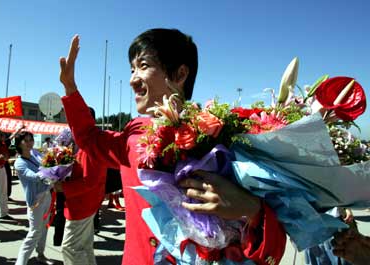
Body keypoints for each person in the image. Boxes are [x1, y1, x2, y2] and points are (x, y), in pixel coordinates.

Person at [59, 29, 286, 264]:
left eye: (143, 65)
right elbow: (88, 138)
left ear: (180, 74)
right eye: (132, 69)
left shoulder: (223, 135)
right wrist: (70, 89)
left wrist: (252, 209)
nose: (132, 79)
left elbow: (275, 238)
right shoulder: (134, 136)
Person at [53, 127, 106, 265]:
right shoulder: (85, 146)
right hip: (86, 204)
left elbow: (89, 181)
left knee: (70, 248)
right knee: (85, 246)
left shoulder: (88, 149)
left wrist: (63, 187)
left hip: (82, 206)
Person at [14, 131, 54, 265]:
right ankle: (21, 262)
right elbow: (32, 175)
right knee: (35, 232)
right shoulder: (19, 163)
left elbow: (46, 164)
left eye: (31, 139)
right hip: (35, 201)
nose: (30, 142)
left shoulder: (34, 155)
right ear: (19, 144)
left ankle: (40, 255)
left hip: (47, 195)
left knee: (44, 228)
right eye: (26, 140)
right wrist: (49, 174)